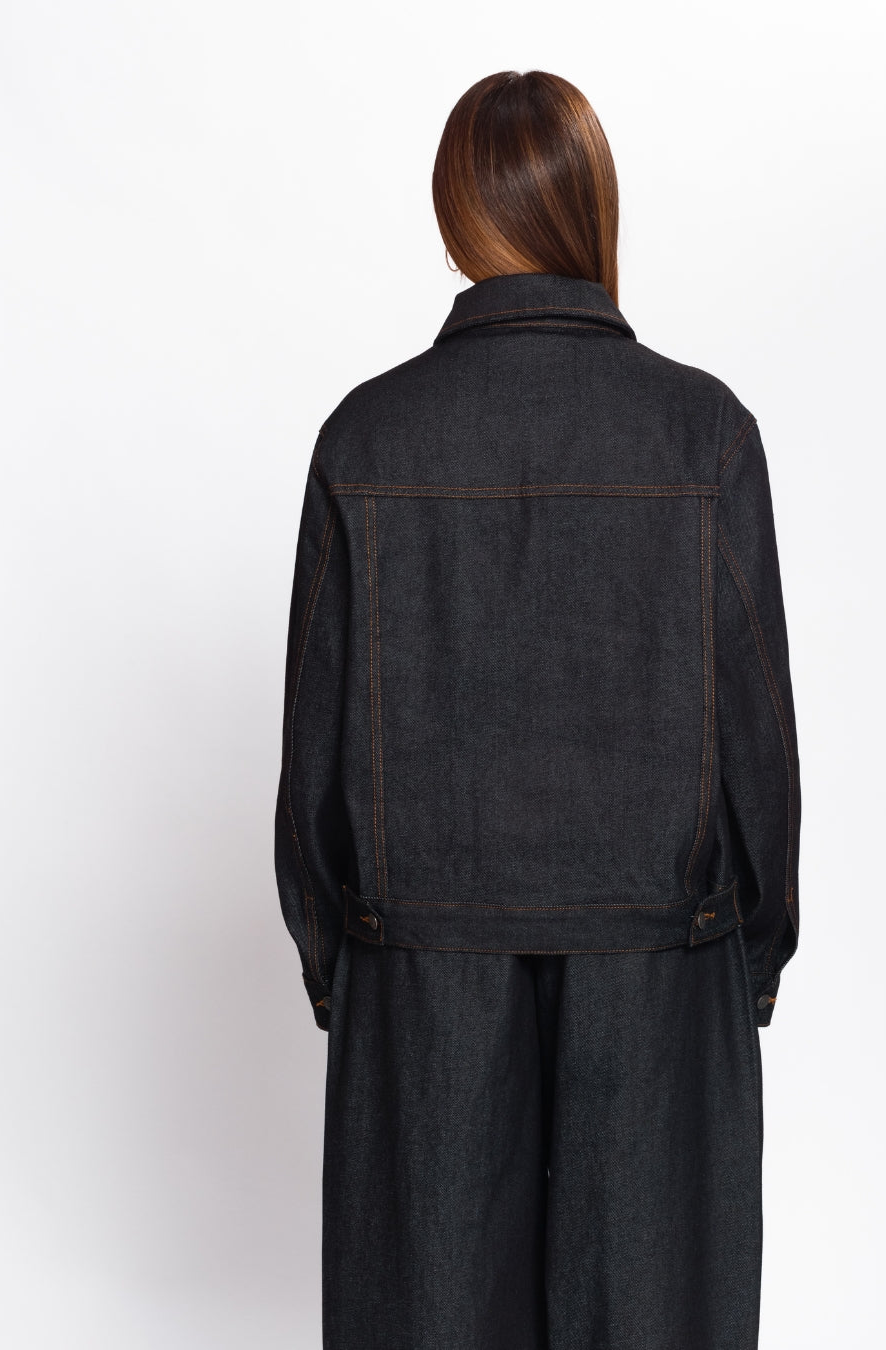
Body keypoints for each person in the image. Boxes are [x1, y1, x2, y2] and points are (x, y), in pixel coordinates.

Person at [274, 68, 801, 1350]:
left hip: (424, 990)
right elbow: (760, 757)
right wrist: (749, 970)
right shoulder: (705, 436)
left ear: (457, 216)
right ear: (592, 205)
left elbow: (312, 779)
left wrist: (351, 974)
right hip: (659, 985)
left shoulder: (366, 439)